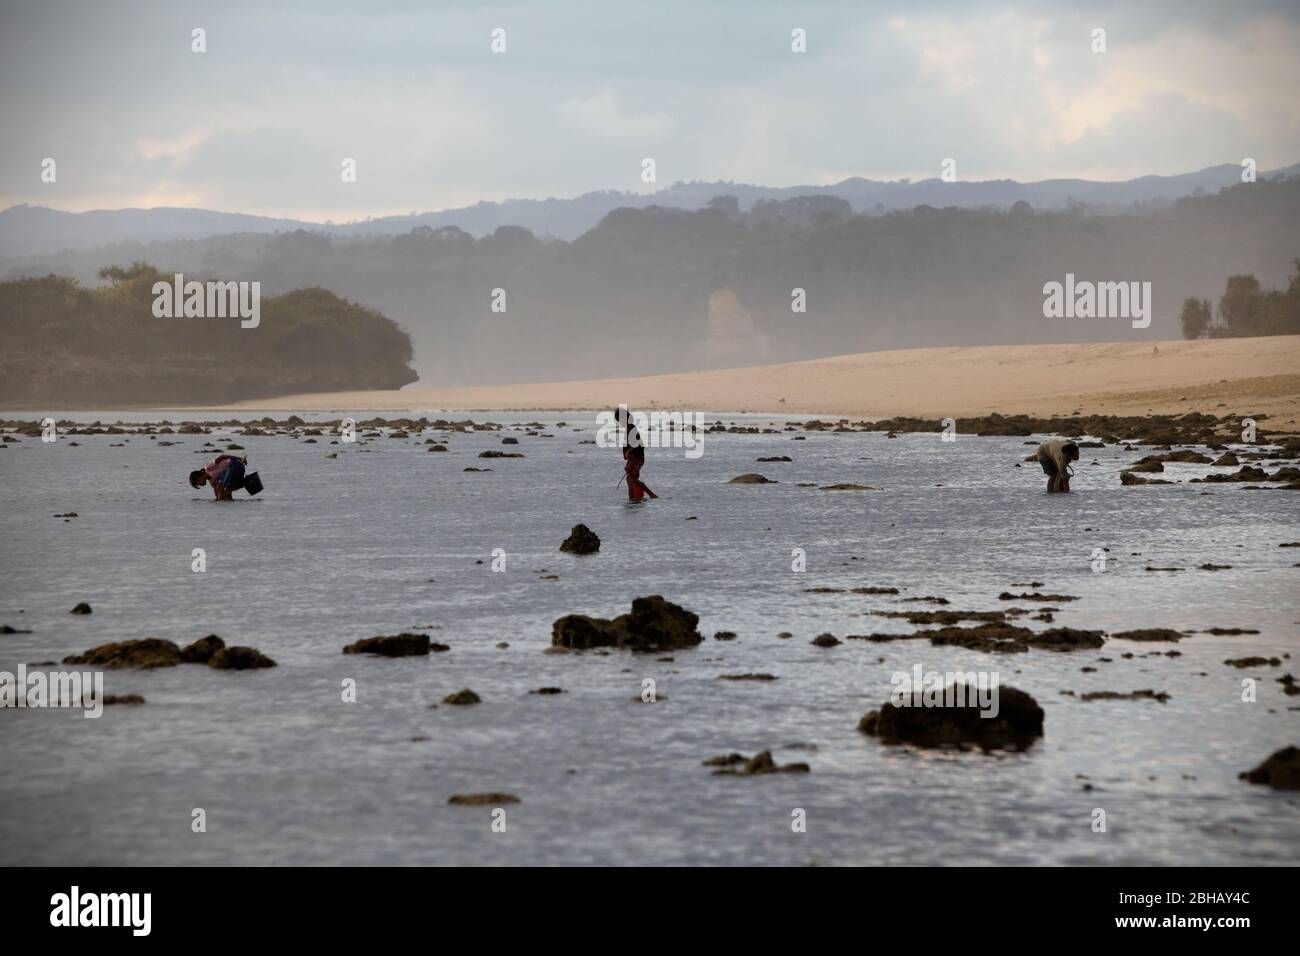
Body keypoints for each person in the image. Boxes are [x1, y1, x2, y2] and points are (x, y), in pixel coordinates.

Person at [615, 407, 656, 501]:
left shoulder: (631, 428)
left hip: (636, 457)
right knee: (629, 479)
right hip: (633, 457)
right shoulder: (628, 428)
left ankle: (651, 494)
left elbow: (638, 443)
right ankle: (632, 500)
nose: (619, 423)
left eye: (619, 420)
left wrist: (629, 451)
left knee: (631, 479)